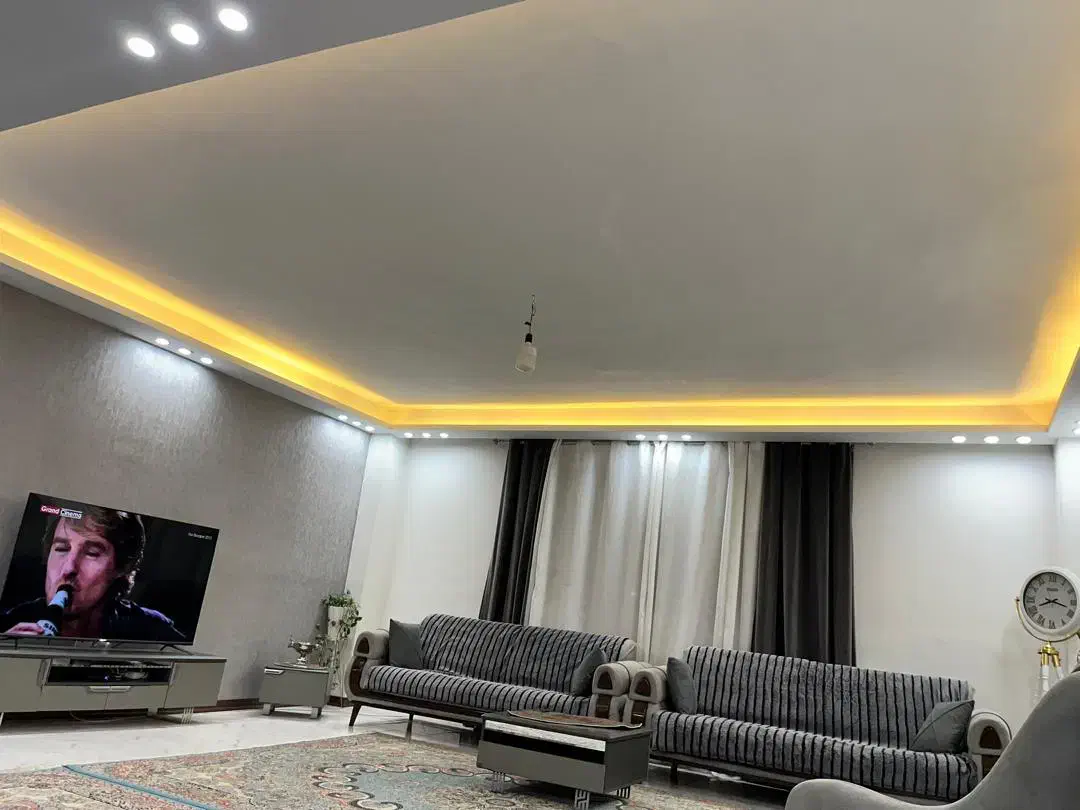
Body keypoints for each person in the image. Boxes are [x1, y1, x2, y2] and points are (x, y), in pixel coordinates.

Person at [1, 507, 183, 642]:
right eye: (61, 549)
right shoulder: (8, 624)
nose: (68, 568)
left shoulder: (152, 628)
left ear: (122, 567)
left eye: (92, 553)